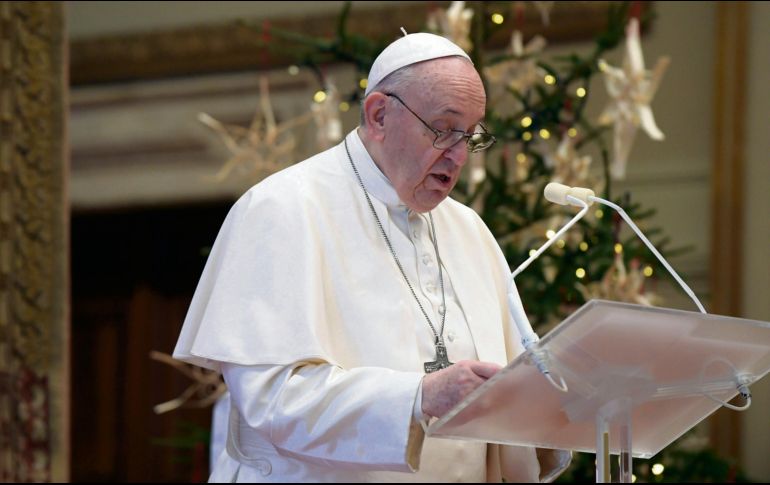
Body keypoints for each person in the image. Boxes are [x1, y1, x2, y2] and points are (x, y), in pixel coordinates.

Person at [174, 32, 570, 482]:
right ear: (379, 114)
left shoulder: (469, 230)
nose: (459, 156)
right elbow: (272, 398)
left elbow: (518, 386)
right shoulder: (283, 207)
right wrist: (419, 397)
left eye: (471, 135)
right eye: (444, 129)